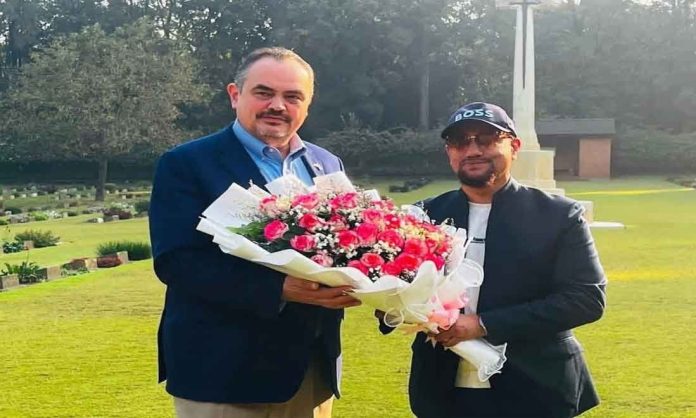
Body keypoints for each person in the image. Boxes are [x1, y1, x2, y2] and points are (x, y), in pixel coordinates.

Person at [149, 47, 361, 418]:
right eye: (264, 92)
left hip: (311, 371)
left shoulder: (327, 163)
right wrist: (280, 289)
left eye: (292, 96)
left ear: (307, 105)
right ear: (235, 95)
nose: (277, 105)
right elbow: (177, 262)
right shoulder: (186, 163)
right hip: (224, 374)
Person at [383, 102, 607, 417]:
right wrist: (396, 305)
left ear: (514, 147)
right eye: (460, 141)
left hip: (535, 388)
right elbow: (392, 291)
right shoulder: (424, 215)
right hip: (441, 390)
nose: (473, 150)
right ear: (449, 152)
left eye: (486, 139)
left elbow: (586, 299)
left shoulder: (558, 215)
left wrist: (483, 325)